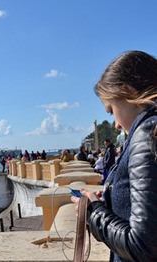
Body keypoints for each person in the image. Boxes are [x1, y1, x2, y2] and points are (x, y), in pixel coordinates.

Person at [71, 51, 157, 262]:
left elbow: (143, 246)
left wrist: (93, 212)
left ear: (128, 91)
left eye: (111, 110)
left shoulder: (147, 133)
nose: (117, 124)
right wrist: (110, 202)